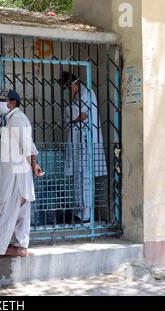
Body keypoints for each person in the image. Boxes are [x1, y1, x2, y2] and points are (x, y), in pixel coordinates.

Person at [0, 90, 44, 261]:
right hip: (18, 173)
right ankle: (20, 246)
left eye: (2, 101)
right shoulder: (12, 120)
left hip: (16, 176)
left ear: (12, 103)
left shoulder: (17, 119)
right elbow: (27, 145)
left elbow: (28, 147)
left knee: (7, 212)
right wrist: (35, 165)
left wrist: (34, 166)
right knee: (20, 213)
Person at [58, 71, 107, 222]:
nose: (68, 91)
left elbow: (81, 115)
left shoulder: (87, 93)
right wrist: (72, 115)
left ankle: (87, 214)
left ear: (74, 83)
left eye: (68, 87)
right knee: (77, 174)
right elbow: (71, 116)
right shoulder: (78, 96)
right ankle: (80, 211)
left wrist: (72, 115)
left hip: (86, 139)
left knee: (86, 174)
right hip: (77, 138)